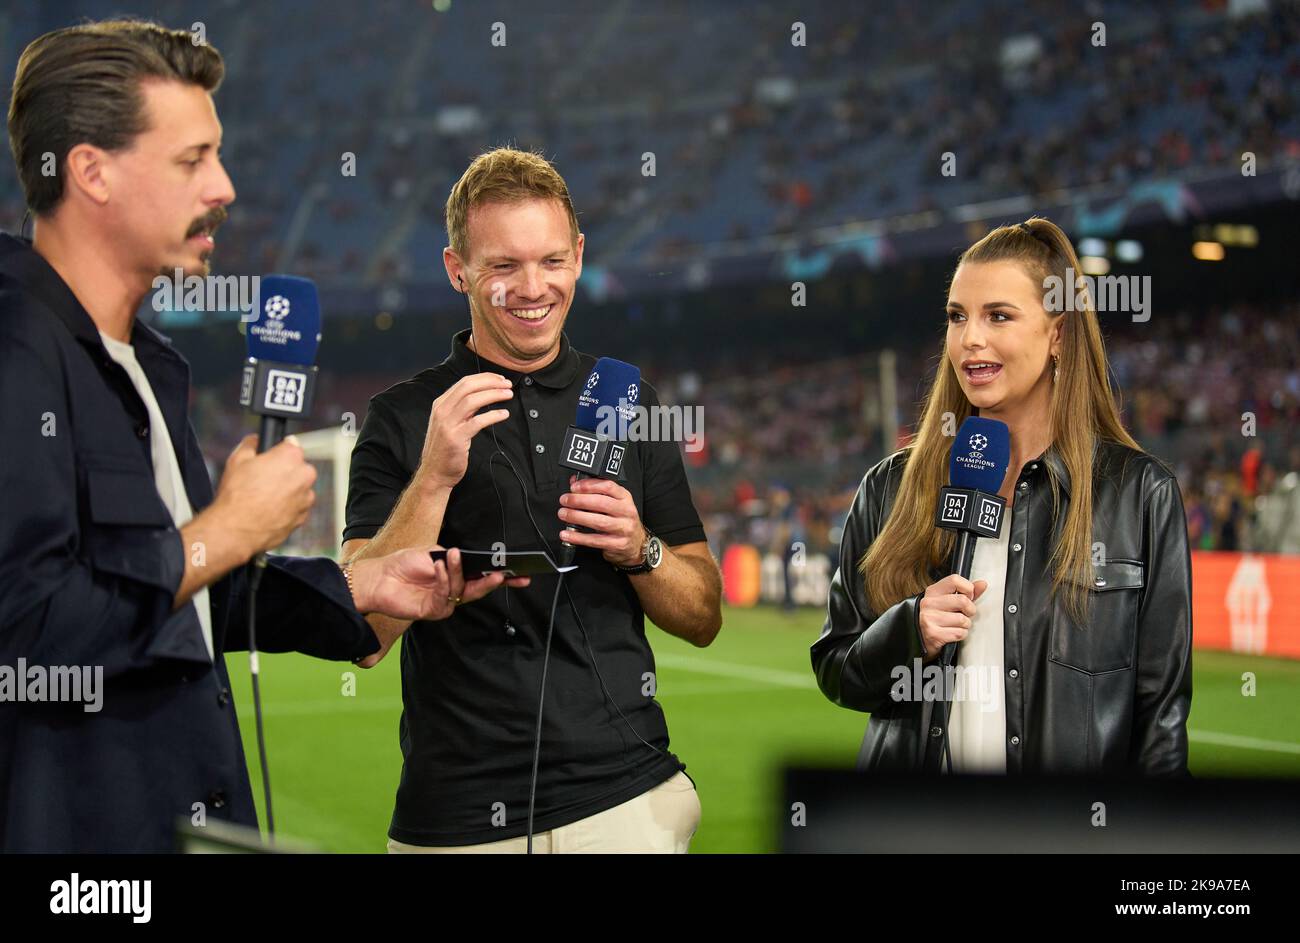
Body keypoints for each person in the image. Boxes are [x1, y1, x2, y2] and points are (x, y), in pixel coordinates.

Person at [0, 19, 520, 852]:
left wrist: (360, 587)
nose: (226, 186)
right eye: (191, 159)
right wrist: (223, 532)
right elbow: (26, 629)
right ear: (90, 171)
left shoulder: (149, 364)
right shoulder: (16, 348)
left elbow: (187, 593)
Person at [342, 147, 723, 852]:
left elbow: (703, 616)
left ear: (578, 256)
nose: (532, 287)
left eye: (551, 260)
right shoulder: (401, 417)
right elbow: (363, 638)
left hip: (626, 802)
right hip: (456, 820)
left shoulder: (628, 400)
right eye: (503, 266)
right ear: (458, 270)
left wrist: (640, 548)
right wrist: (433, 478)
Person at [812, 217, 1193, 776]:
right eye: (957, 317)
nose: (971, 339)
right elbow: (836, 669)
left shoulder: (1139, 495)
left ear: (1058, 334)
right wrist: (909, 630)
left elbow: (1160, 719)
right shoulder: (889, 489)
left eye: (999, 316)